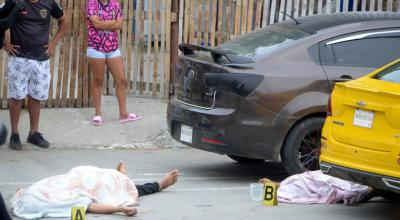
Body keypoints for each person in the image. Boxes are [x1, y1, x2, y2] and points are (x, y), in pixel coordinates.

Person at [3, 0, 69, 150]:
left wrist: (53, 42)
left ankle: (33, 133)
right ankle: (14, 134)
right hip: (19, 59)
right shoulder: (14, 2)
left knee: (36, 96)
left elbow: (64, 20)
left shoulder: (50, 3)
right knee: (17, 96)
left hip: (41, 60)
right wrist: (4, 44)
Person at [10, 161, 179, 218]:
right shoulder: (66, 205)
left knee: (106, 177)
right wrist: (120, 209)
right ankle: (158, 184)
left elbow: (23, 192)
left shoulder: (38, 189)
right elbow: (91, 208)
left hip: (82, 175)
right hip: (97, 187)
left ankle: (119, 175)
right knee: (122, 190)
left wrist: (25, 191)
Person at [86, 0, 141, 126]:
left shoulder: (115, 4)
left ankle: (123, 114)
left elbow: (120, 25)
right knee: (98, 80)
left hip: (113, 48)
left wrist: (104, 23)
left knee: (121, 80)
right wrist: (112, 23)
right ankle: (98, 114)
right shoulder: (91, 3)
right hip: (96, 48)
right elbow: (96, 25)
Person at [259, 170, 376, 206]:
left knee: (328, 181)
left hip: (315, 180)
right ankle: (372, 191)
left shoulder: (287, 188)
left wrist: (274, 184)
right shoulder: (286, 189)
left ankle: (372, 191)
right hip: (310, 183)